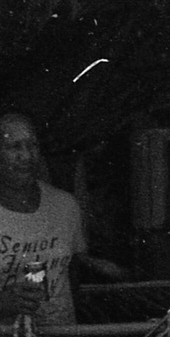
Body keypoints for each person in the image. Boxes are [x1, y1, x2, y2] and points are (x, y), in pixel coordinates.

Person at [0, 110, 122, 325]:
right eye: (14, 147)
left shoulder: (65, 206)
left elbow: (71, 270)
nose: (26, 156)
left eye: (33, 145)